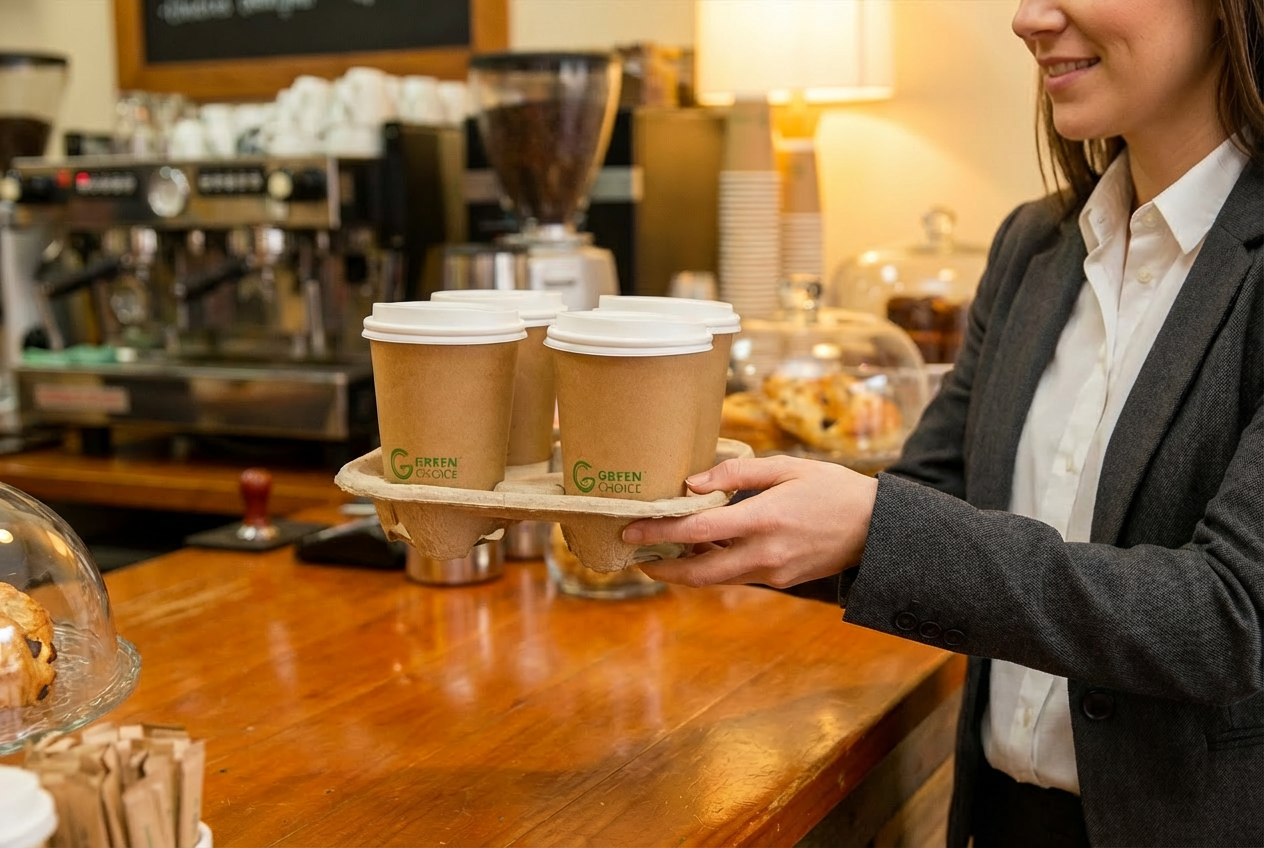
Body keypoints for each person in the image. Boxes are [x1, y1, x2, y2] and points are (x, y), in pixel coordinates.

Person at [621, 1, 1264, 845]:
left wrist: (872, 522)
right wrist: (689, 506)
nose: (1029, 18)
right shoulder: (1034, 246)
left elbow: (1227, 619)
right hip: (1000, 817)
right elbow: (929, 503)